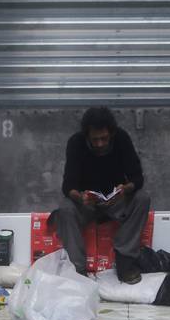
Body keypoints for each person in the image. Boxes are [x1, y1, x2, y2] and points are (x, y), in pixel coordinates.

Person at [52, 107, 150, 284]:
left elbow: (137, 178)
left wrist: (125, 190)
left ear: (111, 134)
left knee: (142, 199)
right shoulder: (76, 142)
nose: (99, 144)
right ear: (87, 135)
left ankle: (125, 263)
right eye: (94, 139)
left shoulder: (121, 138)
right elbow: (68, 186)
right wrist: (80, 197)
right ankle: (77, 270)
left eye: (104, 139)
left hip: (116, 202)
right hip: (87, 204)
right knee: (65, 209)